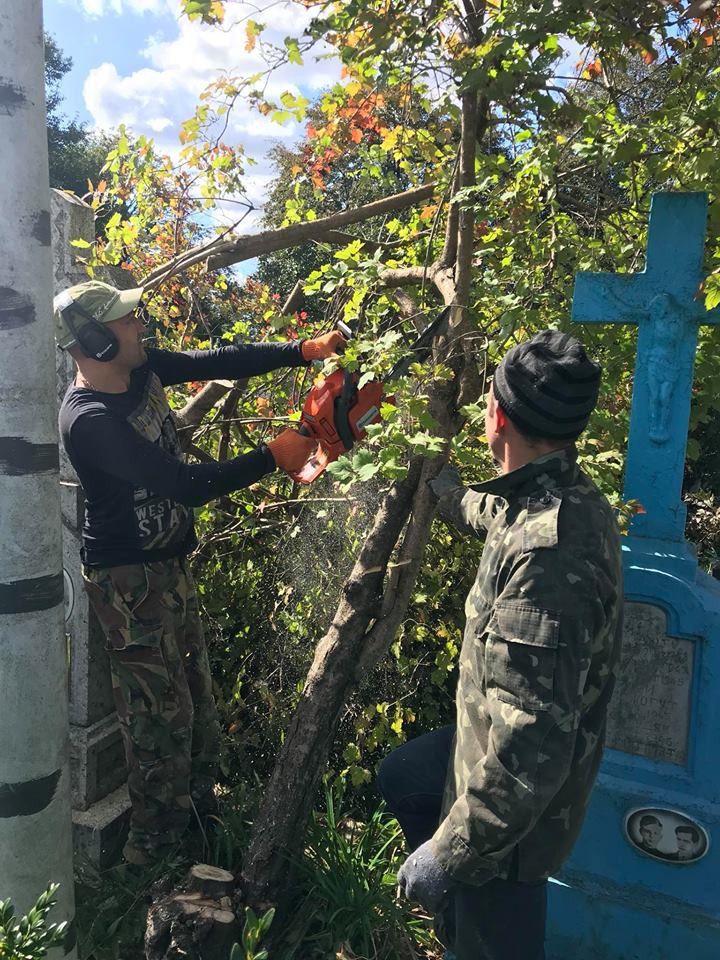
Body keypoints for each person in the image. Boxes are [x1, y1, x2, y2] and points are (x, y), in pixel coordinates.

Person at [54, 280, 344, 866]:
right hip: (127, 582)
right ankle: (153, 846)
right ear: (92, 341)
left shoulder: (140, 368)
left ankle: (200, 810)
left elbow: (215, 361)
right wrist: (272, 456)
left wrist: (302, 351)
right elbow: (183, 484)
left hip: (169, 562)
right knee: (155, 714)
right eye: (125, 322)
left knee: (193, 689)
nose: (139, 328)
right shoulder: (87, 420)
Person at [378, 330, 624, 960]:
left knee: (496, 939)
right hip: (486, 757)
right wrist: (452, 493)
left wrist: (450, 851)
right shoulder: (558, 496)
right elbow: (497, 517)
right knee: (405, 774)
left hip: (510, 833)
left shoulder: (547, 557)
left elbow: (531, 748)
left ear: (497, 415)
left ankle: (468, 896)